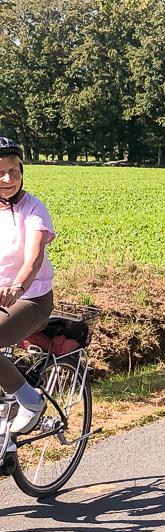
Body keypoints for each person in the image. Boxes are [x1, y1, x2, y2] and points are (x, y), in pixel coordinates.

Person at [0, 137, 56, 448]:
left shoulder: (34, 208)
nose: (8, 179)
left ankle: (30, 400)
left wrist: (18, 285)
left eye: (14, 171)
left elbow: (34, 256)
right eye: (0, 172)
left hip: (29, 298)